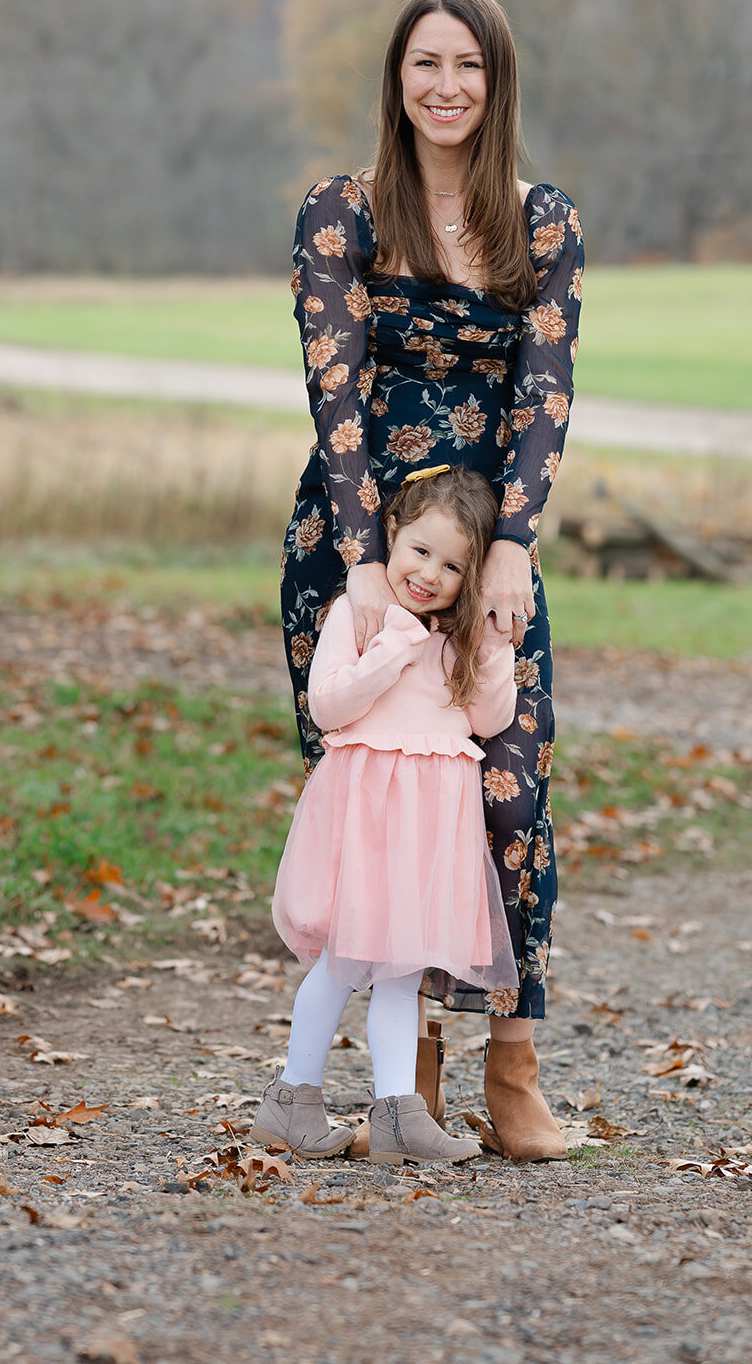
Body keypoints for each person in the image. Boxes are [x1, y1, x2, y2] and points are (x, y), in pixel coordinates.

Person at [279, 0, 583, 1161]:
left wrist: (513, 538)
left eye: (468, 65)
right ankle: (409, 1082)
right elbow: (335, 392)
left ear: (495, 82)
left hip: (492, 555)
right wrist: (361, 565)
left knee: (507, 793)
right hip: (357, 551)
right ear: (396, 81)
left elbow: (545, 396)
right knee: (382, 813)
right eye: (425, 64)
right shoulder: (341, 214)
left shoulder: (541, 222)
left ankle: (513, 1063)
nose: (446, 85)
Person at [253, 466, 518, 1164]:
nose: (429, 574)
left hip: (431, 825)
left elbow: (490, 719)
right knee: (343, 963)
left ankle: (399, 1116)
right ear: (392, 535)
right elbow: (329, 706)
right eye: (420, 551)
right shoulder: (361, 615)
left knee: (402, 973)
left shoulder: (461, 643)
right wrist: (393, 648)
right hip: (370, 817)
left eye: (453, 565)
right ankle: (290, 1101)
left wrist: (493, 649)